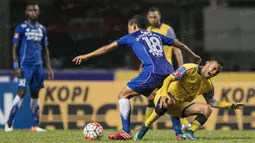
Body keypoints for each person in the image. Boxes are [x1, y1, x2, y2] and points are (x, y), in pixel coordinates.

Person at [72, 15, 200, 140]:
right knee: (167, 100)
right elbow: (179, 44)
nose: (128, 30)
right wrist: (193, 55)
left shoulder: (132, 36)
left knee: (123, 95)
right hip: (169, 71)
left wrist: (86, 56)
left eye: (128, 27)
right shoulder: (156, 35)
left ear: (133, 26)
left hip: (153, 72)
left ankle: (126, 131)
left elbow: (107, 48)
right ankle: (178, 134)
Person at [134, 57, 245, 141]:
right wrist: (164, 93)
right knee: (169, 102)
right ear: (207, 64)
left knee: (207, 109)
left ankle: (189, 133)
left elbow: (212, 102)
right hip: (165, 97)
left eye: (218, 71)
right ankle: (145, 128)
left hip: (181, 106)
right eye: (214, 68)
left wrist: (230, 106)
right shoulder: (189, 68)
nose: (214, 72)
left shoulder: (208, 85)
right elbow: (169, 79)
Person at [5, 2, 54, 132]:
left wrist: (48, 67)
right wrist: (16, 65)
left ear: (38, 12)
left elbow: (45, 49)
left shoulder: (42, 29)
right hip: (25, 66)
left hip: (38, 67)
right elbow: (14, 47)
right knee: (21, 92)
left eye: (35, 10)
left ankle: (34, 125)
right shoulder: (21, 28)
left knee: (35, 94)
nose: (33, 12)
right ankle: (9, 122)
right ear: (26, 12)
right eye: (31, 10)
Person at [145, 7, 191, 136]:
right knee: (150, 97)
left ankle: (184, 124)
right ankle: (146, 126)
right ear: (148, 18)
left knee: (170, 97)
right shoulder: (147, 31)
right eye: (150, 17)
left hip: (166, 69)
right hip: (152, 69)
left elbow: (177, 48)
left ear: (160, 16)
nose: (153, 19)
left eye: (155, 17)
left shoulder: (167, 30)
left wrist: (182, 67)